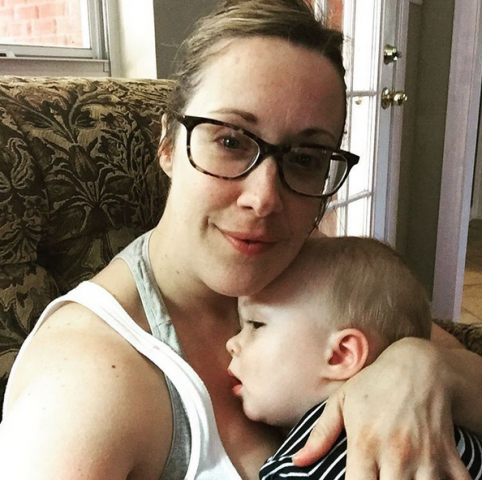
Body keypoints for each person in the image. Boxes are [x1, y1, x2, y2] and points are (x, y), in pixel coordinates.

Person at [0, 0, 481, 479]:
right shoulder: (83, 385)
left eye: (306, 158)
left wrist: (423, 369)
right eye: (230, 141)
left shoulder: (306, 270)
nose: (264, 199)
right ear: (168, 144)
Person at [226, 236, 482, 479]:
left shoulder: (306, 466)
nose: (232, 344)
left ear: (341, 355)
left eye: (256, 324)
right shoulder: (454, 432)